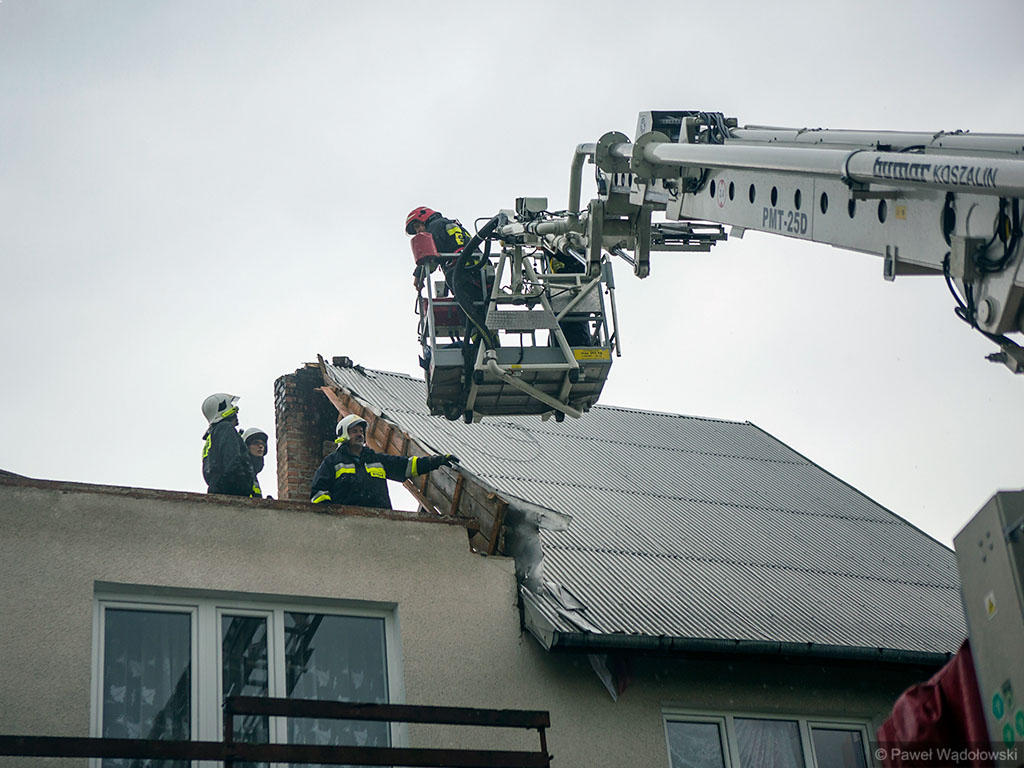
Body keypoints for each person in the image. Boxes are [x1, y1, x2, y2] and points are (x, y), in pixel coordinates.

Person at [310, 414, 459, 509]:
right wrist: (330, 514)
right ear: (343, 434)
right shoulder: (333, 461)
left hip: (380, 522)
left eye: (361, 431)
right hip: (347, 523)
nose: (360, 435)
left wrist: (434, 461)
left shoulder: (375, 459)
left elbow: (406, 466)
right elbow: (318, 492)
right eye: (354, 431)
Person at [201, 393, 255, 497]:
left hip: (218, 490)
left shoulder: (212, 436)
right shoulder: (225, 428)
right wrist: (242, 488)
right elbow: (232, 460)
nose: (236, 411)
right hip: (233, 492)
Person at [242, 427, 269, 499]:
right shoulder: (241, 472)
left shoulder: (252, 475)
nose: (260, 446)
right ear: (246, 447)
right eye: (256, 443)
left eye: (263, 444)